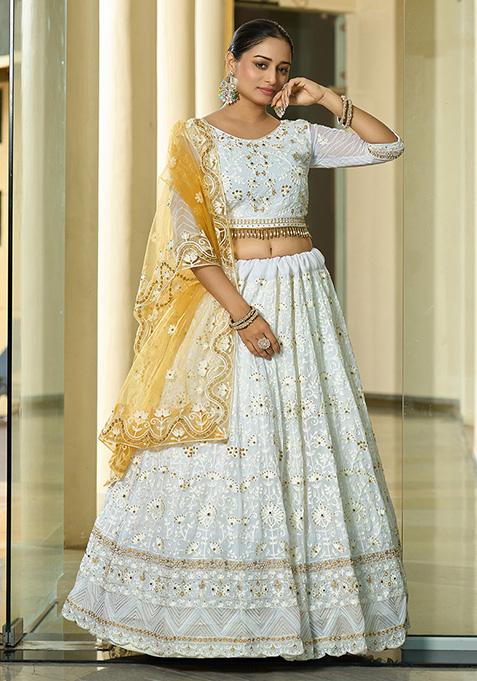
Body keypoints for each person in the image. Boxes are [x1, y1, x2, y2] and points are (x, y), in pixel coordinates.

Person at [62, 17, 410, 661]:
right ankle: (157, 619)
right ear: (233, 63)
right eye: (260, 64)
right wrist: (243, 315)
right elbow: (189, 240)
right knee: (222, 444)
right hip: (234, 297)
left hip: (303, 293)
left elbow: (387, 147)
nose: (272, 78)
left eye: (283, 68)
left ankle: (335, 621)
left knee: (310, 438)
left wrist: (326, 98)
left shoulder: (299, 135)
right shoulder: (196, 138)